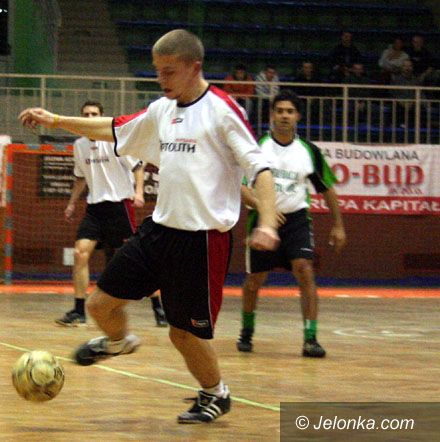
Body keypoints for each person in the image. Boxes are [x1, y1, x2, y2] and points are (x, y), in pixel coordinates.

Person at [19, 29, 280, 424]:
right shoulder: (162, 110)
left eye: (169, 71)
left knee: (183, 334)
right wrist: (54, 120)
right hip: (158, 232)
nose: (161, 79)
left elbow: (261, 169)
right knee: (99, 305)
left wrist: (269, 222)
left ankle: (216, 393)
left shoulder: (223, 111)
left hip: (202, 242)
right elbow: (112, 128)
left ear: (194, 67)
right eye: (157, 71)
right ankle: (119, 341)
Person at [236, 90, 346, 358]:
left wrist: (338, 225)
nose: (284, 116)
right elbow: (242, 187)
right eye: (280, 111)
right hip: (263, 220)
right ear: (272, 115)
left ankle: (311, 338)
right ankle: (247, 332)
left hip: (296, 219)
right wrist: (265, 208)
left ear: (297, 116)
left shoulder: (308, 151)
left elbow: (327, 188)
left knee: (304, 269)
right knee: (255, 280)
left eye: (289, 111)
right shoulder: (257, 148)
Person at [56, 100, 167, 328]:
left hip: (119, 206)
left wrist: (139, 192)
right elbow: (80, 177)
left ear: (101, 116)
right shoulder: (79, 145)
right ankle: (79, 310)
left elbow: (138, 166)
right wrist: (71, 203)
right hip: (95, 208)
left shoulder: (115, 141)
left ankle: (158, 306)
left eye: (94, 114)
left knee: (136, 258)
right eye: (86, 114)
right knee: (80, 254)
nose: (89, 118)